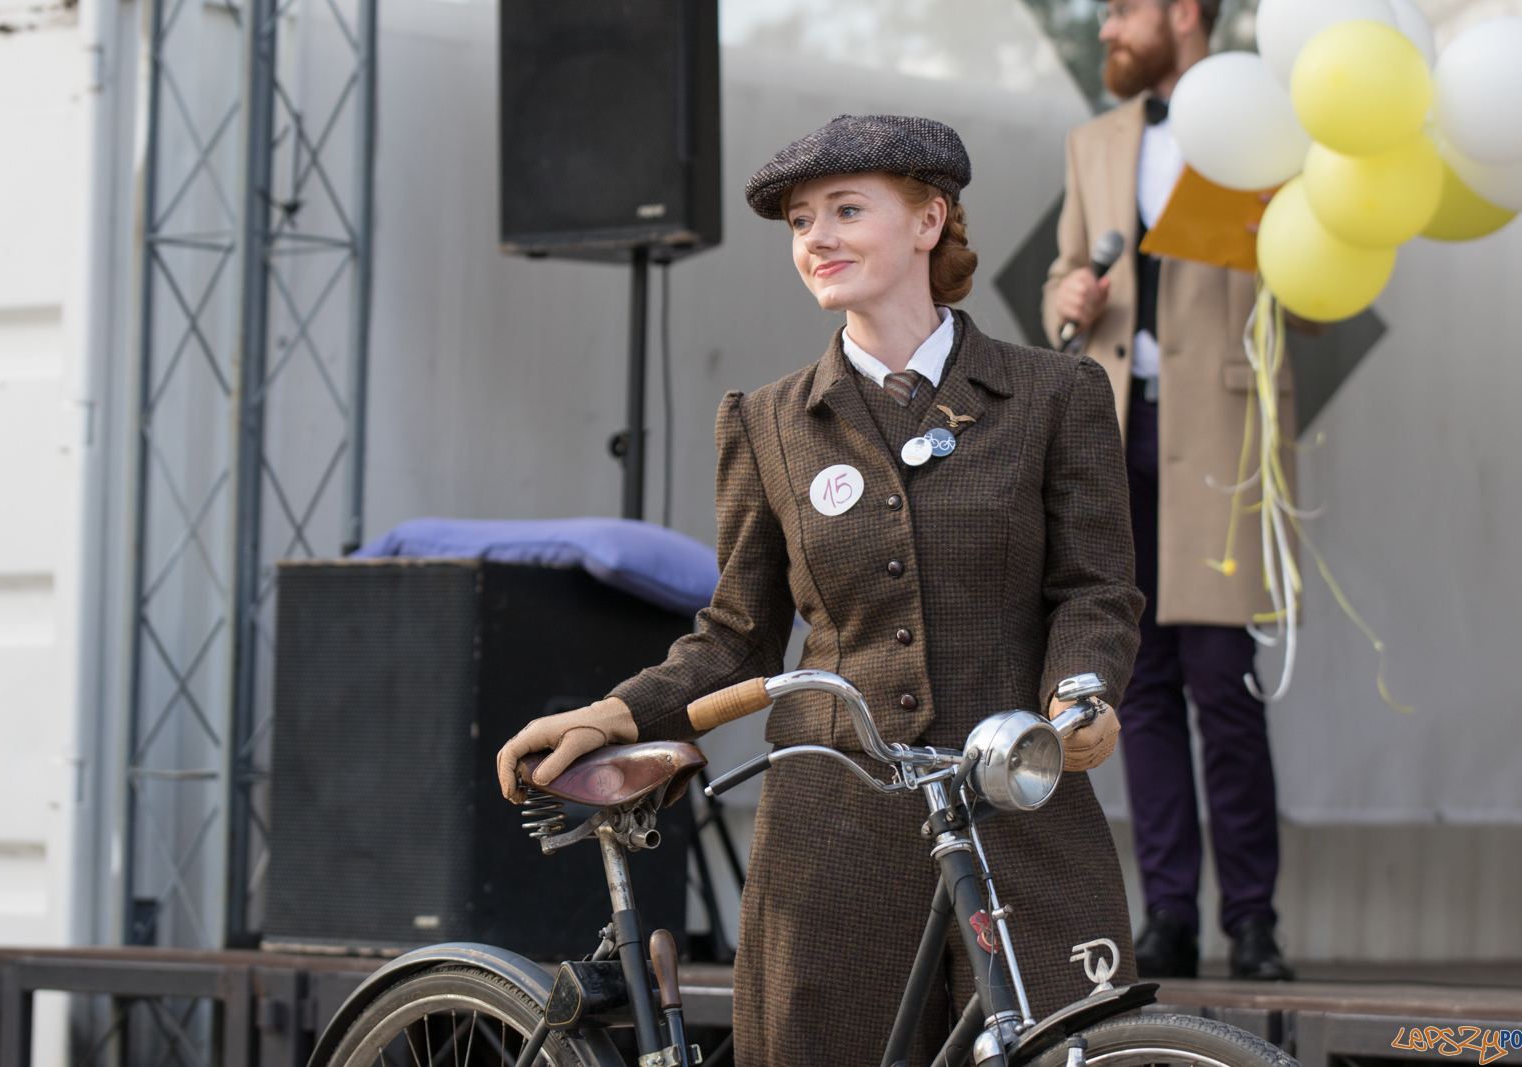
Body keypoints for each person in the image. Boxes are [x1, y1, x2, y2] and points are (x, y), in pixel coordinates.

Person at [498, 115, 1146, 1065]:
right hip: (836, 828)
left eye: (847, 210)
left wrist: (1081, 691)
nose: (818, 239)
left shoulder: (1056, 395)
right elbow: (735, 634)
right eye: (802, 221)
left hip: (1017, 805)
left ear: (930, 221)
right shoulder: (766, 422)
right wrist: (616, 713)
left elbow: (1095, 589)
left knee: (1073, 1046)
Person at [1041, 0, 1296, 981]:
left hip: (1222, 430)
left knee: (1221, 685)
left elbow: (1315, 298)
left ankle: (1255, 919)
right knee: (1133, 684)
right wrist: (1064, 293)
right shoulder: (1093, 139)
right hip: (1111, 428)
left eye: (1123, 8)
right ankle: (1170, 917)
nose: (1107, 25)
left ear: (1183, 11)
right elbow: (1067, 270)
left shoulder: (1268, 120)